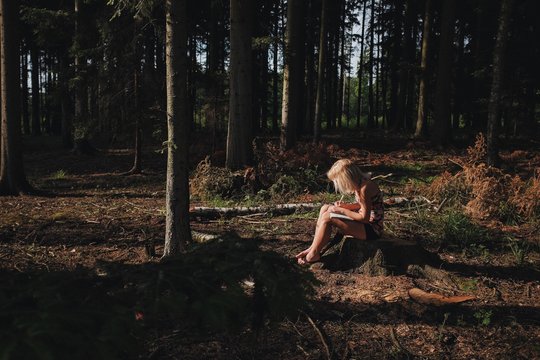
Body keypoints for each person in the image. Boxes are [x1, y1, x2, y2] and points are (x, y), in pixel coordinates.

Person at [296, 159, 384, 265]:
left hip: (372, 230)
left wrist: (341, 210)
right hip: (365, 224)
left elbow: (364, 218)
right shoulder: (361, 183)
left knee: (328, 217)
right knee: (325, 208)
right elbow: (364, 205)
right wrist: (346, 206)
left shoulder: (364, 188)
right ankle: (312, 247)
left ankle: (314, 254)